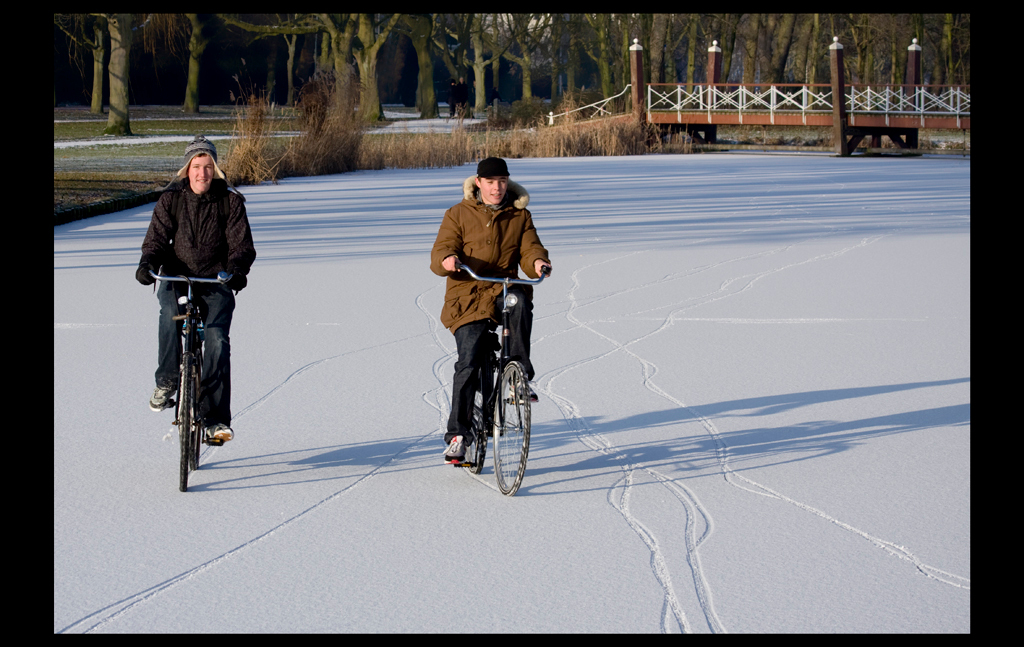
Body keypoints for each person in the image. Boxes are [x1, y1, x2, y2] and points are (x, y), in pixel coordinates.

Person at [430, 157, 552, 464]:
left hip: (502, 288)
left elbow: (530, 248)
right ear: (478, 183)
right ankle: (458, 436)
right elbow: (443, 247)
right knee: (468, 361)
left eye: (502, 181)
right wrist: (448, 259)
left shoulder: (519, 216)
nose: (497, 188)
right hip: (467, 295)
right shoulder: (458, 213)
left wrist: (538, 261)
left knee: (519, 301)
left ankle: (518, 374)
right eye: (490, 182)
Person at [135, 135, 256, 443]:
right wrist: (147, 264)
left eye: (208, 166)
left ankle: (215, 419)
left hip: (216, 280)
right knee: (170, 316)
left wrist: (237, 271)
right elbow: (156, 240)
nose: (203, 173)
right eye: (197, 166)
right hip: (177, 278)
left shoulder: (229, 202)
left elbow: (241, 246)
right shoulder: (171, 200)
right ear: (187, 169)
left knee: (216, 339)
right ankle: (167, 381)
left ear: (216, 169)